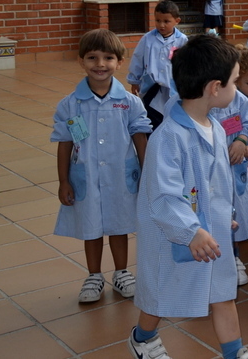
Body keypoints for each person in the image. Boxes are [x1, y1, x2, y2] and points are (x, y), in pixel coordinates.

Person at [130, 34, 248, 359]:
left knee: (223, 292)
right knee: (163, 292)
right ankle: (143, 337)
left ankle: (234, 352)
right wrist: (191, 231)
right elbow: (164, 197)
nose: (237, 89)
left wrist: (223, 215)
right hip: (176, 233)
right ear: (215, 87)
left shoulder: (215, 127)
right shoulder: (168, 138)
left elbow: (217, 182)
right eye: (234, 81)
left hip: (211, 232)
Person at [52, 29, 151, 303]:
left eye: (108, 58)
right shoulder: (70, 105)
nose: (100, 64)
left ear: (119, 63)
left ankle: (122, 272)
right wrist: (64, 181)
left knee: (120, 224)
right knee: (91, 226)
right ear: (81, 61)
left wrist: (147, 173)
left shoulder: (130, 103)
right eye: (92, 57)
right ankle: (94, 276)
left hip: (121, 176)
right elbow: (64, 143)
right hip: (86, 177)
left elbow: (140, 139)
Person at [209, 77, 248, 287]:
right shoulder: (196, 100)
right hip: (208, 171)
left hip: (234, 168)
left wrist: (241, 141)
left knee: (234, 214)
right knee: (211, 213)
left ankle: (234, 257)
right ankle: (215, 259)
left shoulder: (239, 99)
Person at [128, 0, 188, 129]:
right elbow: (138, 59)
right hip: (151, 86)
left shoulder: (182, 40)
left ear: (177, 21)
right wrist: (134, 80)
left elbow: (186, 64)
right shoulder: (147, 38)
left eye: (166, 21)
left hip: (172, 87)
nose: (161, 25)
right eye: (158, 20)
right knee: (152, 118)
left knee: (172, 116)